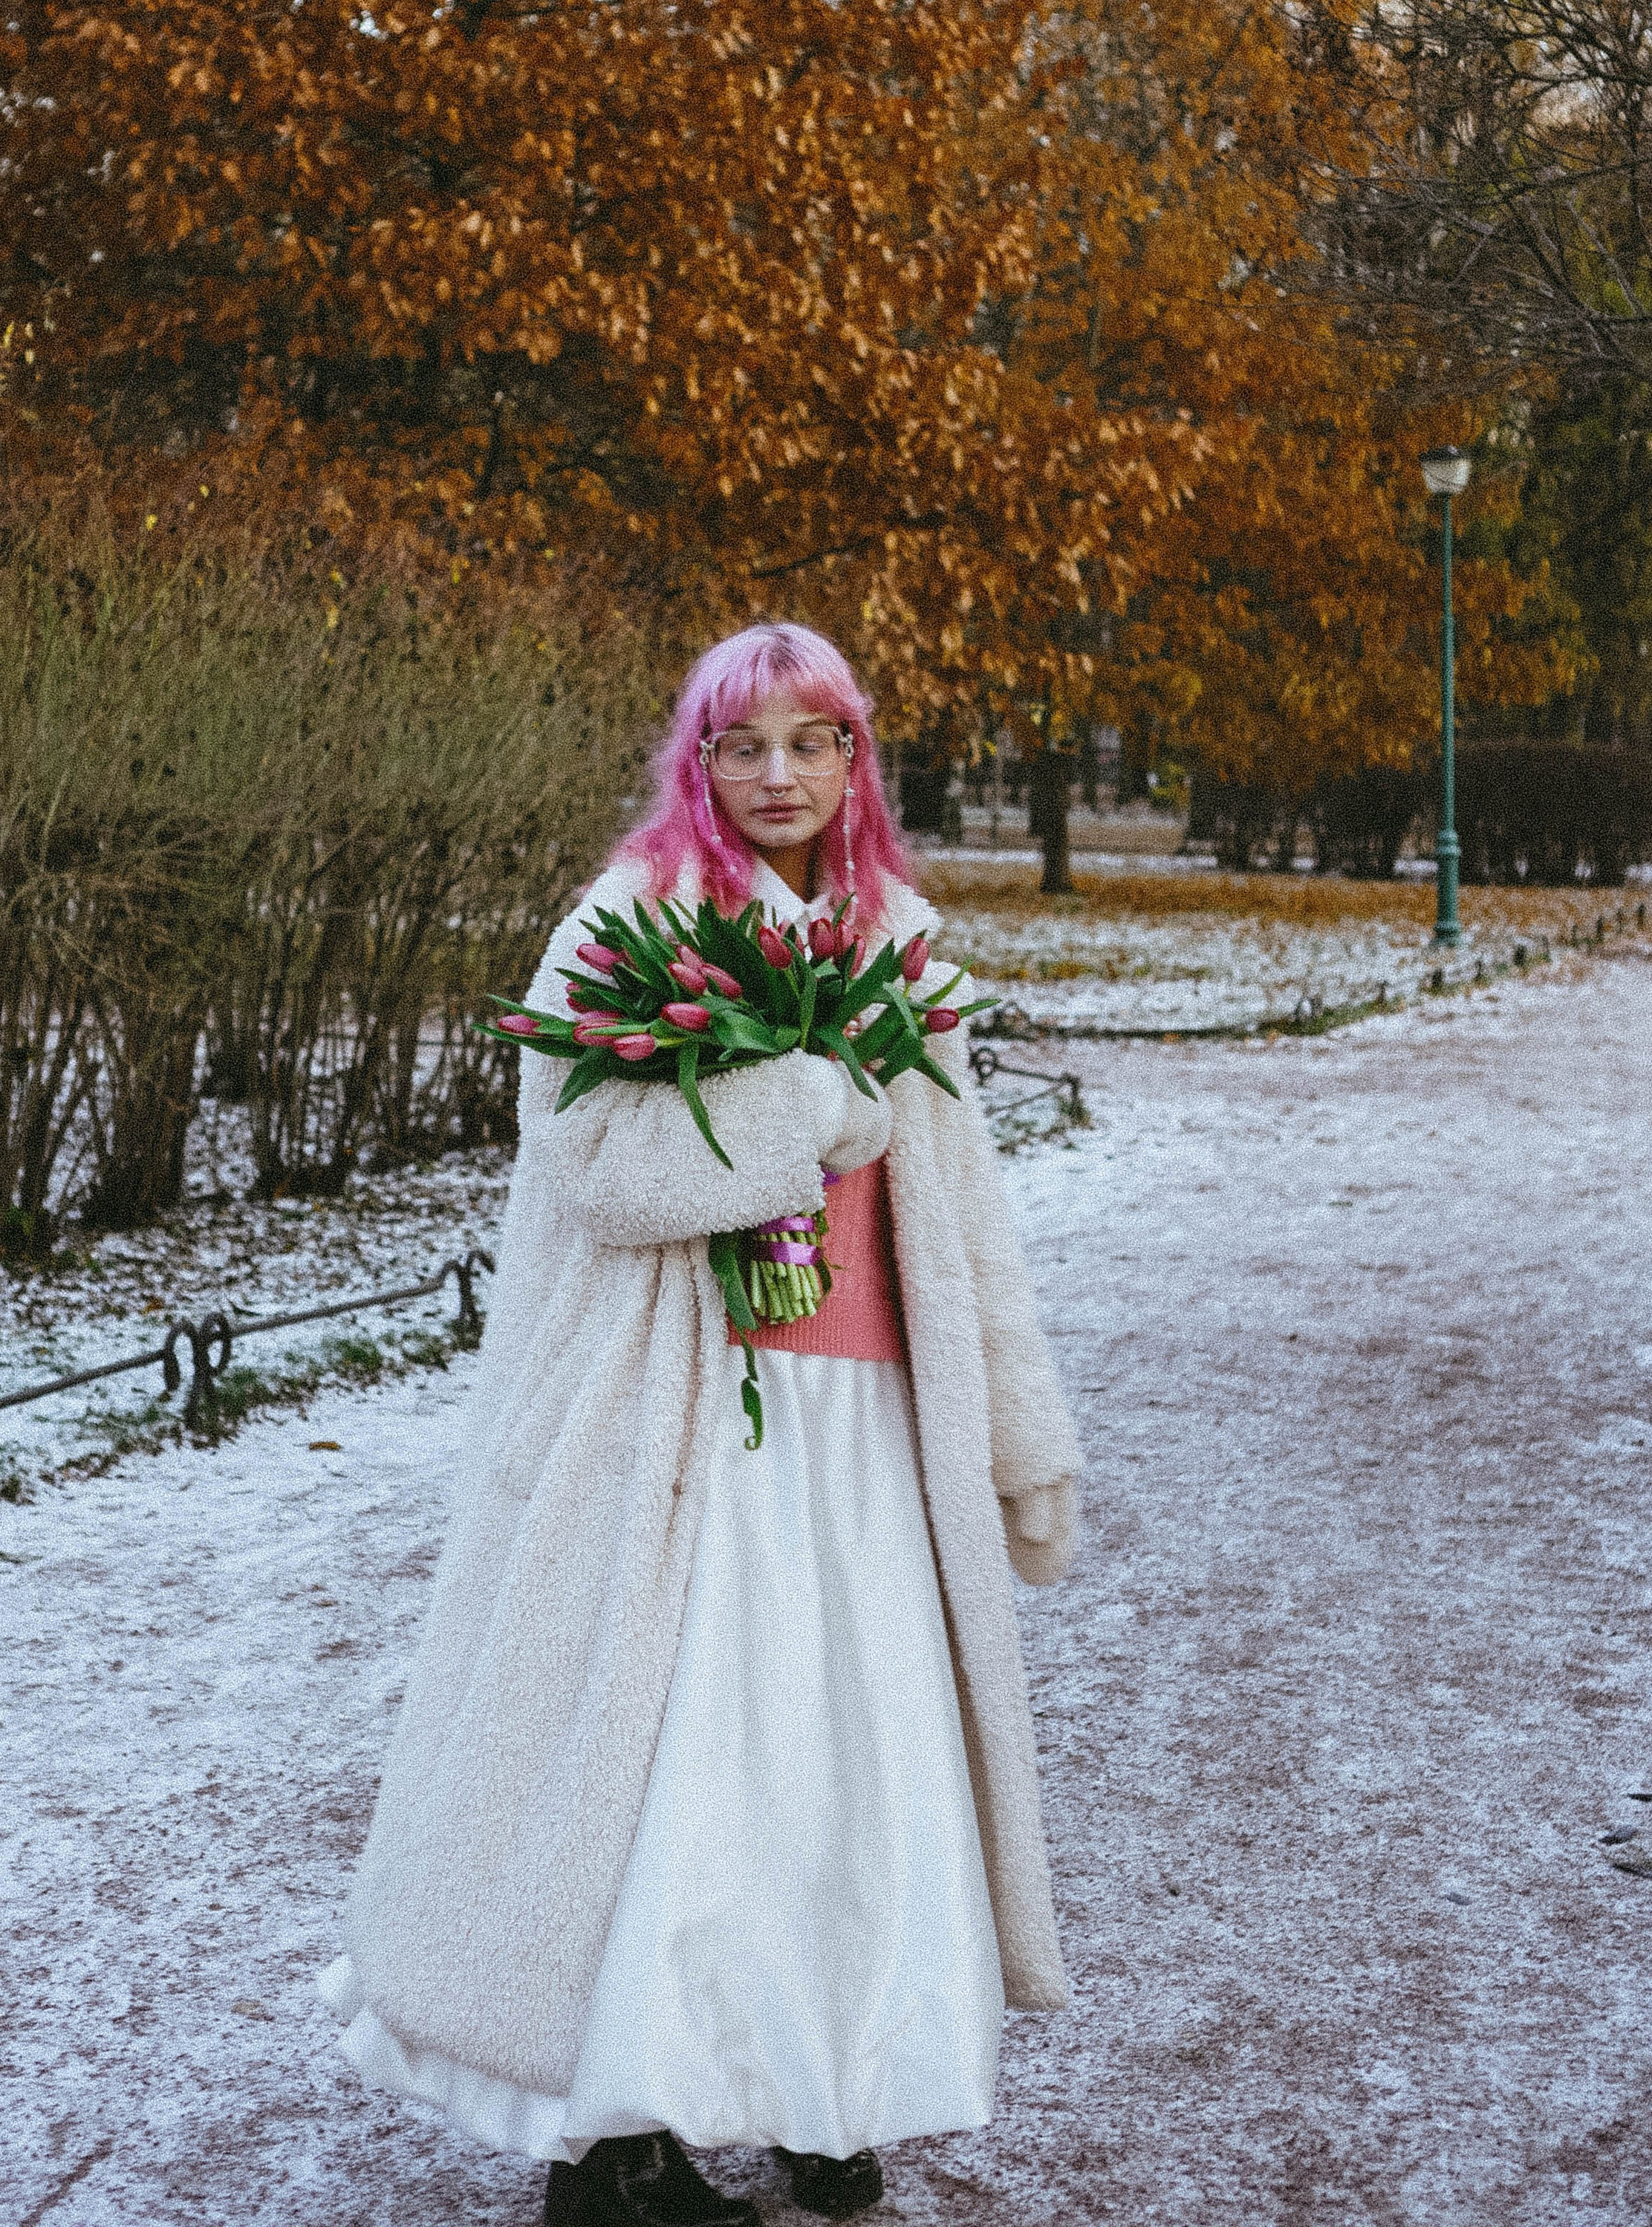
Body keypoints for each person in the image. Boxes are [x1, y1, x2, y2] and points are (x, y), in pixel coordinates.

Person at [319, 622, 1083, 2224]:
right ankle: (624, 2133)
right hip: (685, 1423)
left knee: (853, 1760)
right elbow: (595, 1174)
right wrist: (799, 1100)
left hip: (867, 1423)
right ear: (698, 761)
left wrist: (1020, 1425)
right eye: (746, 746)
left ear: (854, 760)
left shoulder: (899, 937)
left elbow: (963, 1216)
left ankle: (824, 2080)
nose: (780, 776)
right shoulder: (625, 925)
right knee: (691, 1764)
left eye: (813, 743)